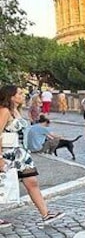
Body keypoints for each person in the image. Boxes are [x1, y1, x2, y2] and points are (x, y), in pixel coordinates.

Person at [0, 85, 65, 228]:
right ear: (11, 96)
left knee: (32, 182)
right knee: (2, 184)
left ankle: (46, 214)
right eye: (19, 93)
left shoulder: (16, 111)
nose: (22, 95)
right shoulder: (4, 111)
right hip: (7, 153)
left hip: (21, 153)